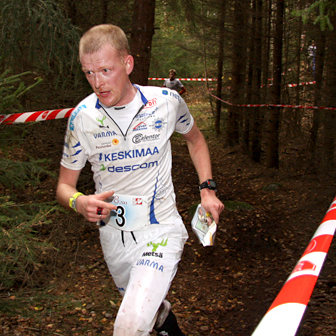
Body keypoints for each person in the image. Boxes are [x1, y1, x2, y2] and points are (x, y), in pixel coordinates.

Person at [56, 24, 224, 336]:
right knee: (151, 313)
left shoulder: (165, 102)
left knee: (129, 326)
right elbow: (63, 187)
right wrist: (78, 202)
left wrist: (207, 189)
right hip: (114, 237)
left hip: (160, 229)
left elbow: (196, 140)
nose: (98, 82)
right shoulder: (82, 117)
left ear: (128, 64)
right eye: (89, 73)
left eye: (106, 70)